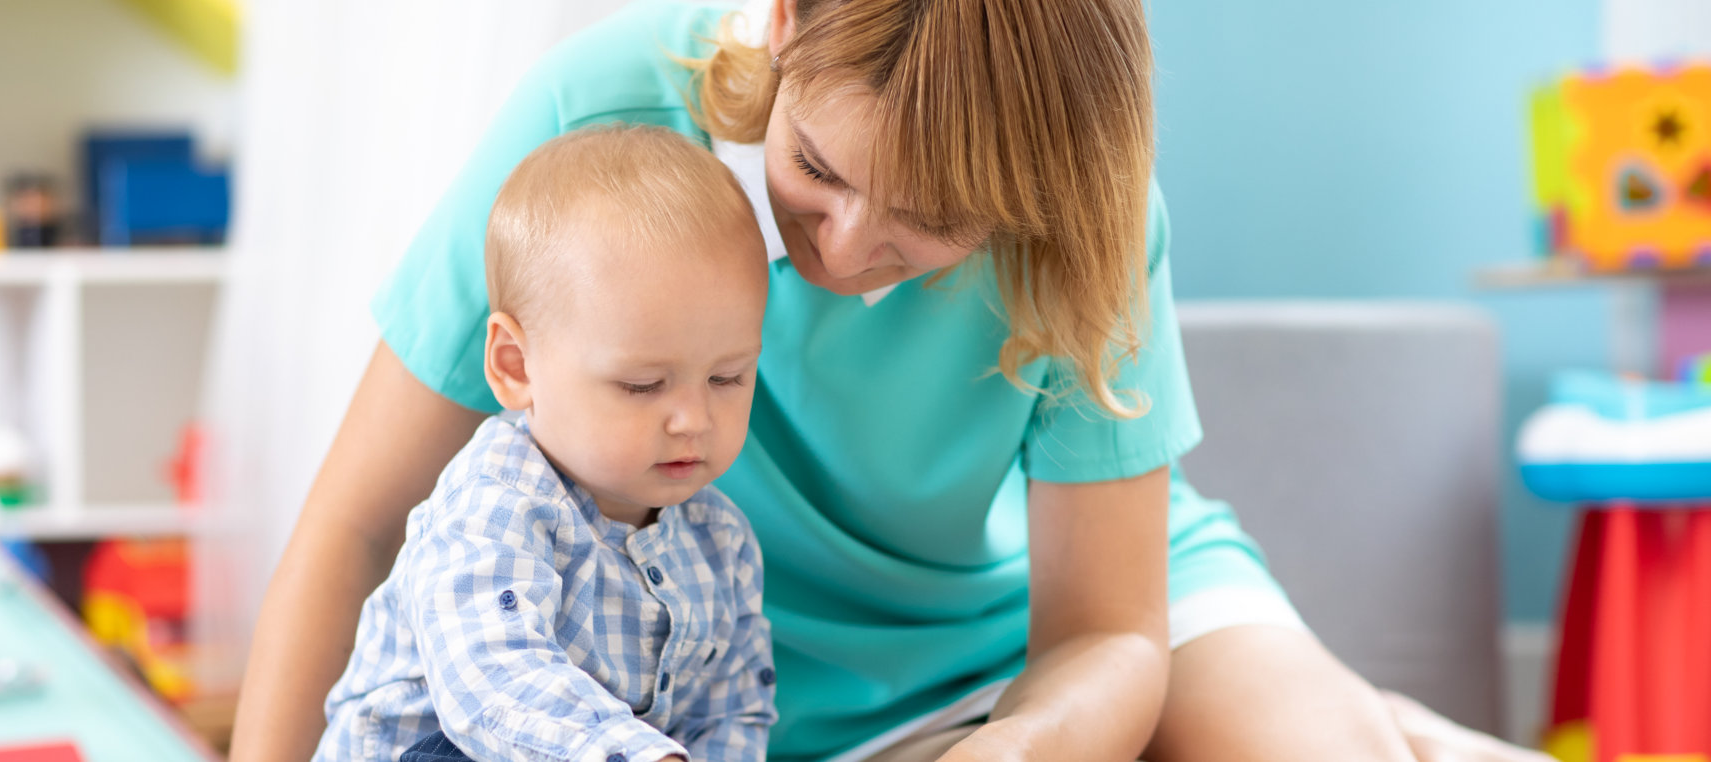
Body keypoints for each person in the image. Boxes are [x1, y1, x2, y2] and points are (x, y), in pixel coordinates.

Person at [234, 1, 1556, 760]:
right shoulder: (602, 118)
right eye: (817, 165)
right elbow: (358, 526)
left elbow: (1108, 627)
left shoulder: (1088, 217)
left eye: (933, 221)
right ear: (787, 22)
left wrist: (1020, 746)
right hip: (744, 668)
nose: (850, 250)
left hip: (1059, 612)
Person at [312, 125, 777, 762]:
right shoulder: (494, 503)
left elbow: (733, 711)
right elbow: (495, 681)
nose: (693, 418)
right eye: (643, 385)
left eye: (728, 377)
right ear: (517, 366)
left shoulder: (723, 545)